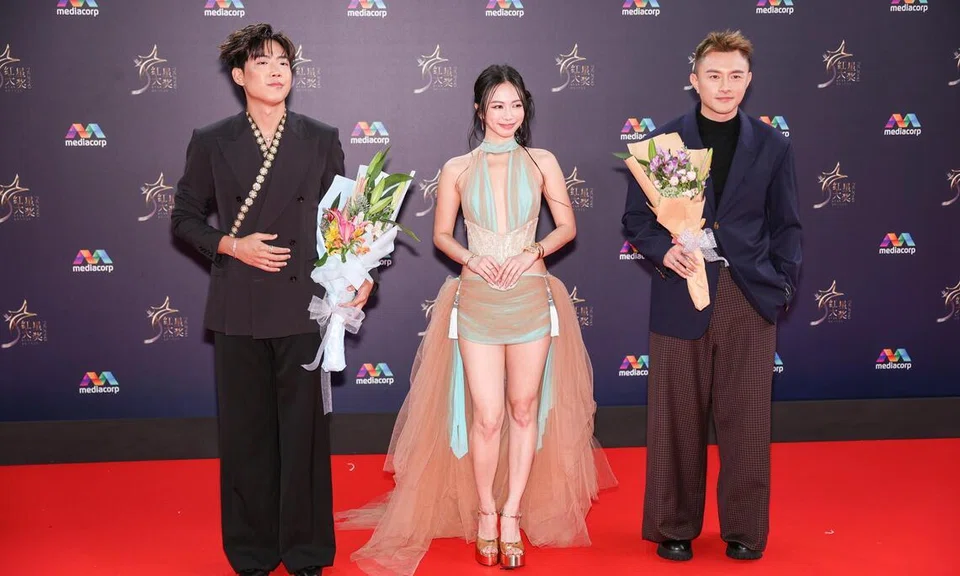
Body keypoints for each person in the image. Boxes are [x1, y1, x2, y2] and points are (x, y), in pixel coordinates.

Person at [337, 64, 616, 575]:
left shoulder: (543, 161)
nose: (508, 115)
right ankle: (485, 510)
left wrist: (533, 249)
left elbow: (568, 226)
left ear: (526, 107)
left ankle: (512, 515)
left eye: (516, 104)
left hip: (532, 293)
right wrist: (473, 258)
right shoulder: (457, 168)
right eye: (497, 105)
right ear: (479, 110)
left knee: (524, 407)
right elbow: (443, 235)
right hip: (478, 297)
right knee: (487, 416)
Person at [171, 23, 374, 576]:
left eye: (282, 61)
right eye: (261, 62)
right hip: (239, 305)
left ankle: (306, 552)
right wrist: (232, 244)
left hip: (303, 302)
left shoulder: (320, 136)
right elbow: (184, 218)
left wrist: (359, 271)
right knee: (246, 435)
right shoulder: (212, 139)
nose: (276, 70)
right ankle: (253, 552)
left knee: (304, 435)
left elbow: (342, 224)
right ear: (240, 76)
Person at [622, 30, 801, 562]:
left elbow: (787, 225)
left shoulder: (772, 144)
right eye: (714, 75)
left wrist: (782, 282)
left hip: (748, 294)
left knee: (748, 419)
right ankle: (674, 527)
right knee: (674, 418)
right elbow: (636, 219)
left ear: (749, 81)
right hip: (682, 292)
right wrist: (661, 251)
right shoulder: (663, 144)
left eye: (736, 76)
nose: (725, 86)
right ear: (693, 78)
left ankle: (745, 531)